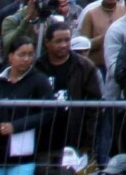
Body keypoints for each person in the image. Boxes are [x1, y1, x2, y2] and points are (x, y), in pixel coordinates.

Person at [0, 35, 51, 175]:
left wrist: (16, 126)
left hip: (22, 152)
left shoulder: (39, 81)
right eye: (21, 54)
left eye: (30, 55)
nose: (26, 59)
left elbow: (49, 112)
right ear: (10, 56)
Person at [35, 20, 101, 171]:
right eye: (58, 41)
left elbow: (94, 107)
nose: (64, 45)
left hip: (74, 137)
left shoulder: (84, 66)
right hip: (43, 139)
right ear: (47, 43)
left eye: (67, 40)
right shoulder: (37, 67)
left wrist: (88, 141)